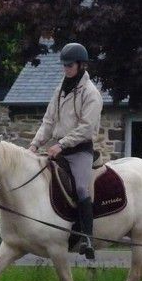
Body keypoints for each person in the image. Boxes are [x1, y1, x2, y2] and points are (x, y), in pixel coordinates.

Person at [28, 42, 103, 259]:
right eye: (64, 65)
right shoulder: (60, 89)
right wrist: (34, 144)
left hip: (80, 150)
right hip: (59, 149)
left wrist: (62, 144)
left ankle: (87, 237)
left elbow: (86, 128)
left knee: (81, 188)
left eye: (70, 65)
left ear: (81, 65)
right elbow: (48, 121)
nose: (66, 69)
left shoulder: (91, 93)